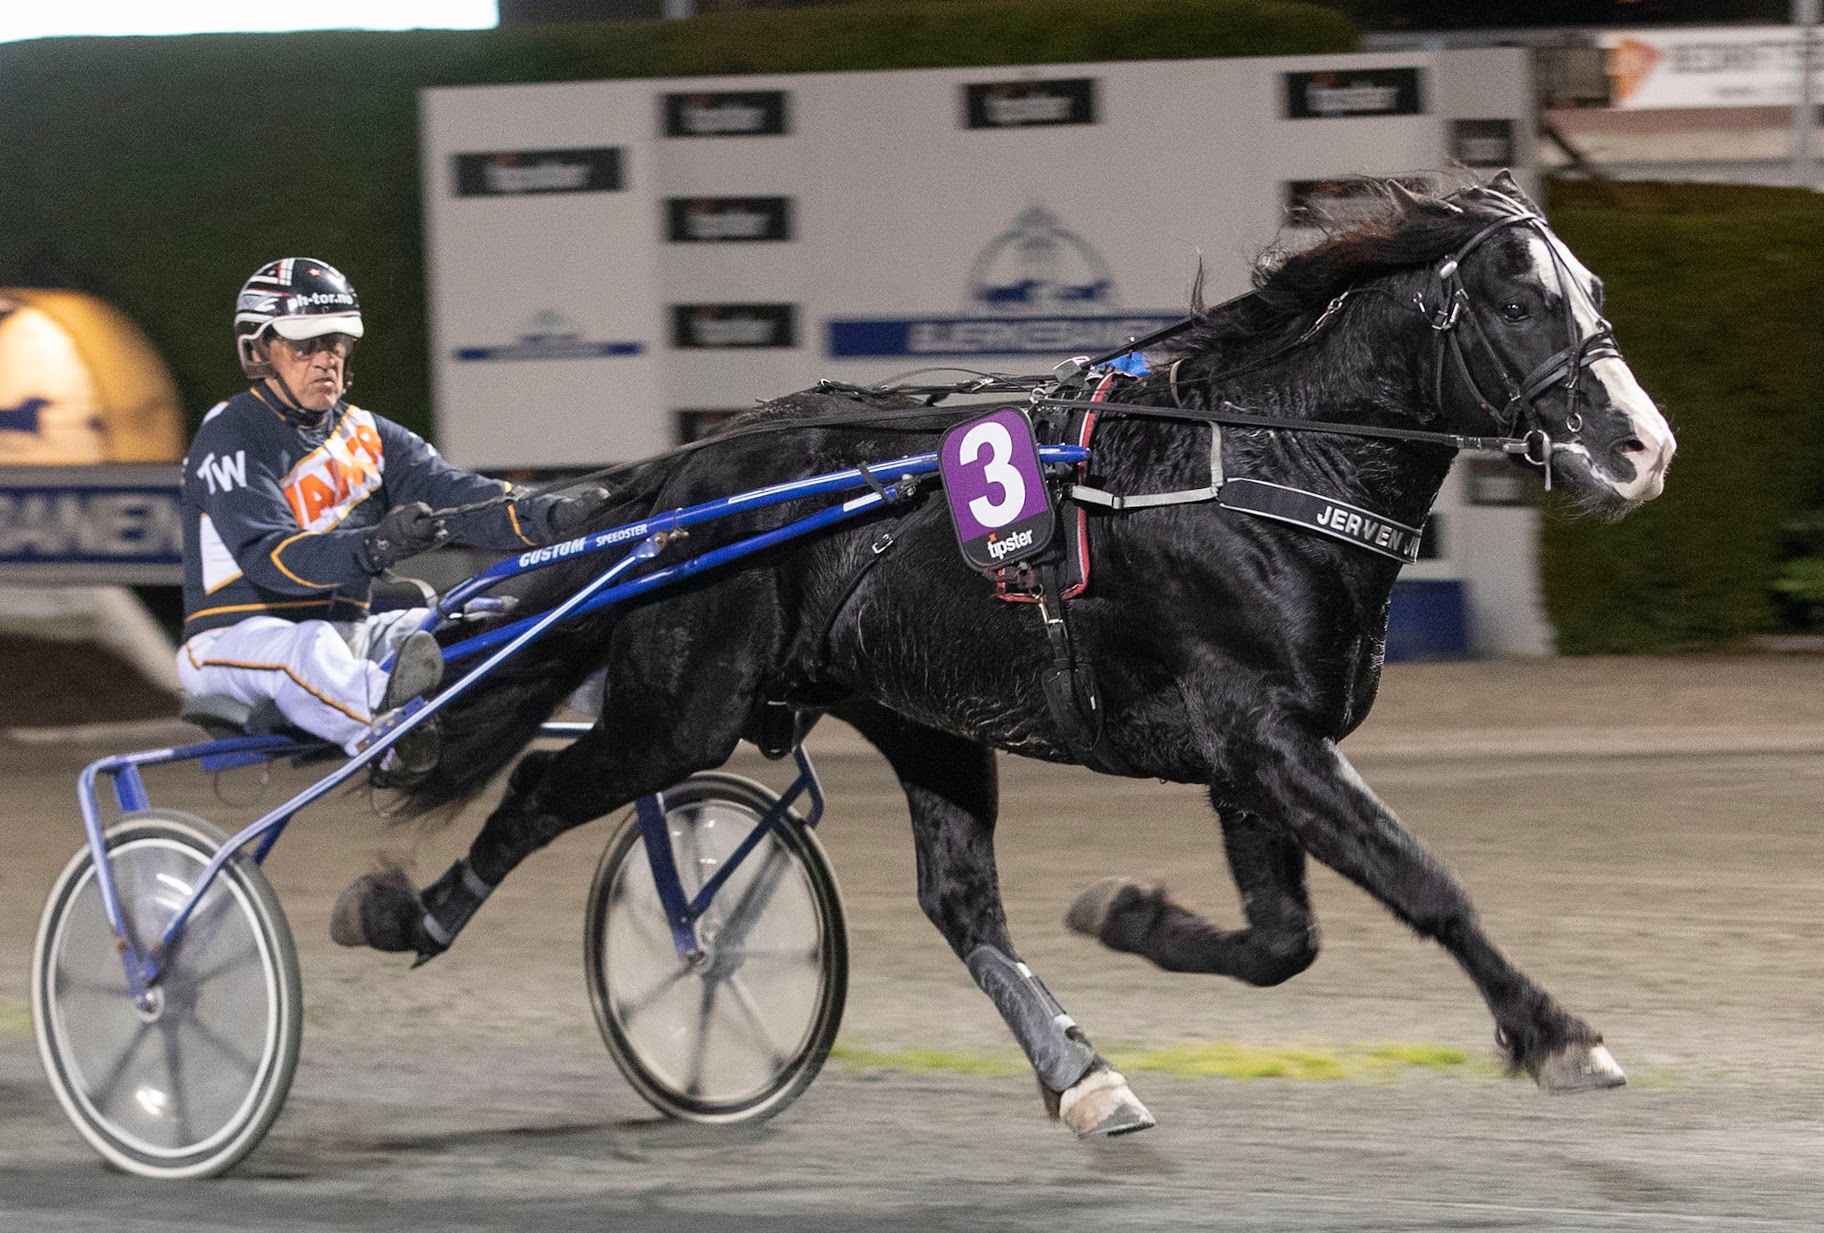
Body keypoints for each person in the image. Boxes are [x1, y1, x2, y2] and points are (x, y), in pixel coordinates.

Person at [175, 257, 607, 779]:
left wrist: (558, 515)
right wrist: (375, 547)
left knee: (479, 617)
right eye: (304, 344)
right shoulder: (231, 432)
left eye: (335, 342)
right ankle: (394, 737)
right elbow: (269, 559)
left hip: (346, 638)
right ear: (259, 350)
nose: (325, 360)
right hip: (232, 646)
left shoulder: (372, 436)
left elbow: (462, 496)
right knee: (306, 647)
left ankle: (613, 697)